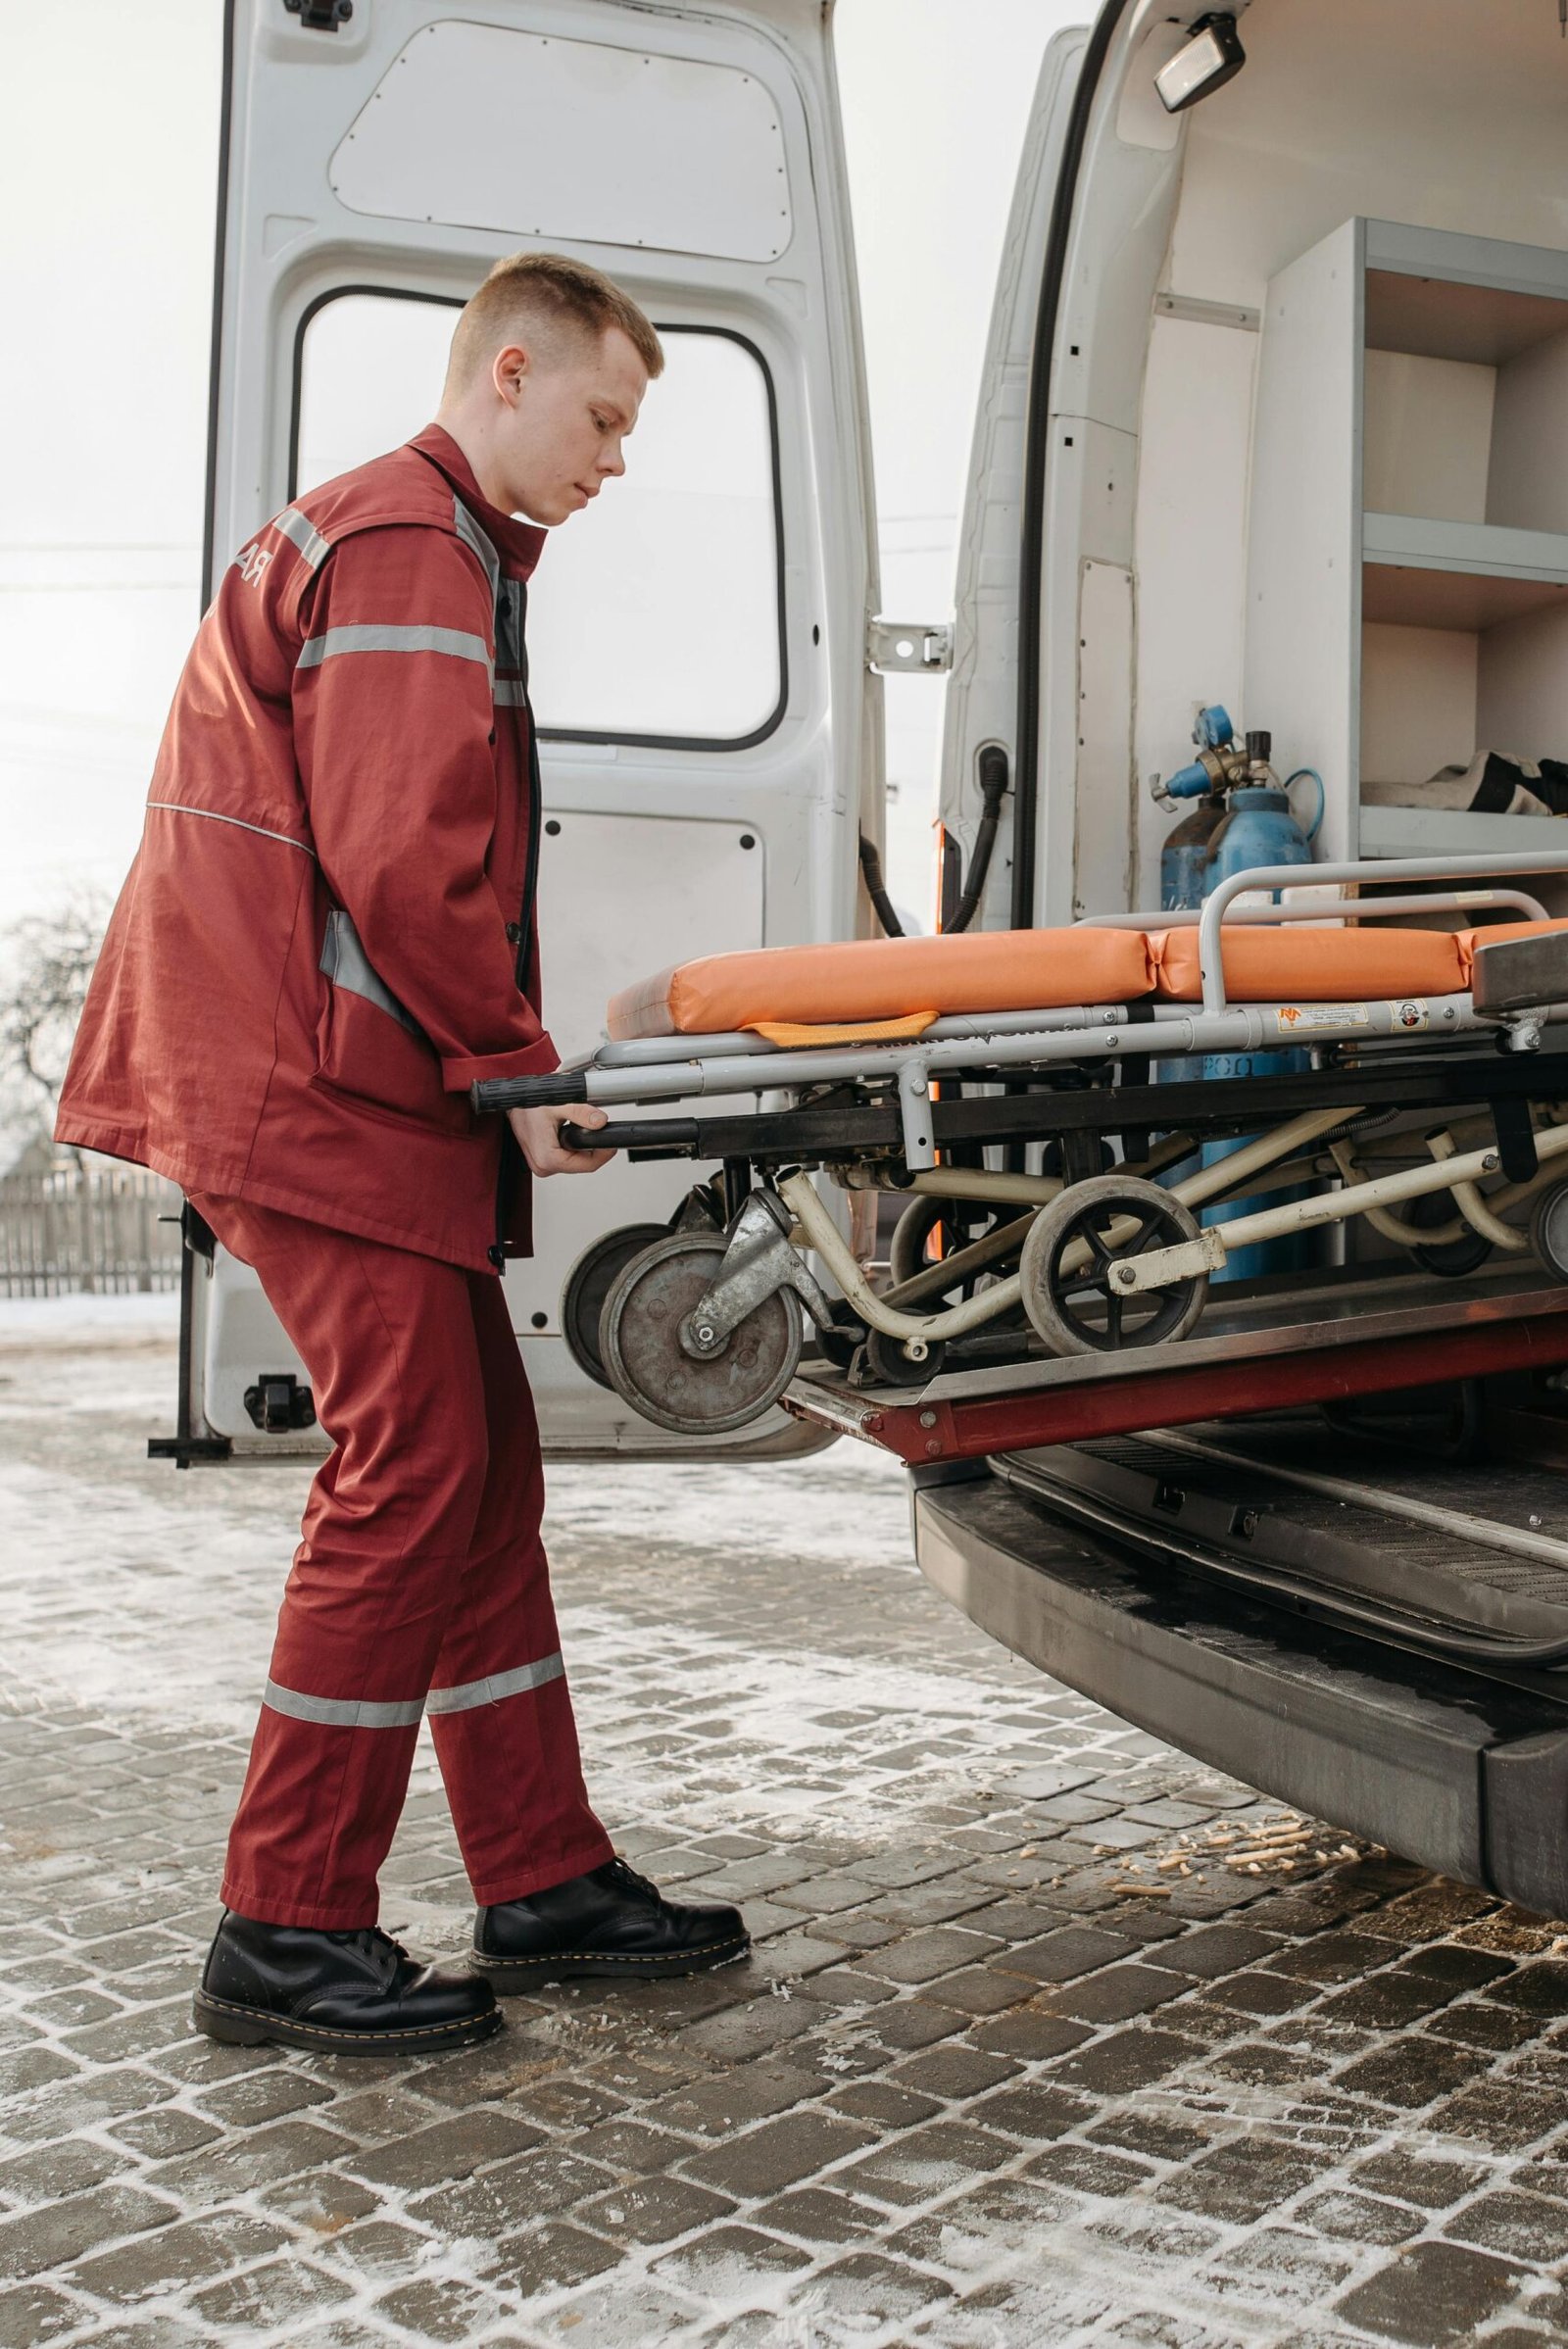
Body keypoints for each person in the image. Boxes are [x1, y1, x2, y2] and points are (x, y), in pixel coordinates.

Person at [56, 252, 748, 2057]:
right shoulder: (406, 543)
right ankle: (283, 1924)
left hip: (334, 1078)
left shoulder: (427, 546)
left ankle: (538, 1871)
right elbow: (397, 856)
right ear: (506, 371)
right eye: (603, 417)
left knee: (478, 1467)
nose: (612, 461)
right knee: (414, 1464)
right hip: (302, 1086)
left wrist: (499, 1077)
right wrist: (519, 1070)